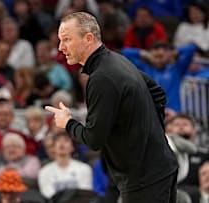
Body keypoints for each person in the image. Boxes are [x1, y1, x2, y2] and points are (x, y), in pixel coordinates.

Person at [45, 12, 178, 203]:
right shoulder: (117, 60)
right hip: (161, 166)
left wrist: (68, 123)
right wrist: (150, 135)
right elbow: (158, 94)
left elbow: (94, 140)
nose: (60, 47)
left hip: (143, 178)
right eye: (60, 40)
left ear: (88, 38)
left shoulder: (101, 78)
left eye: (67, 39)